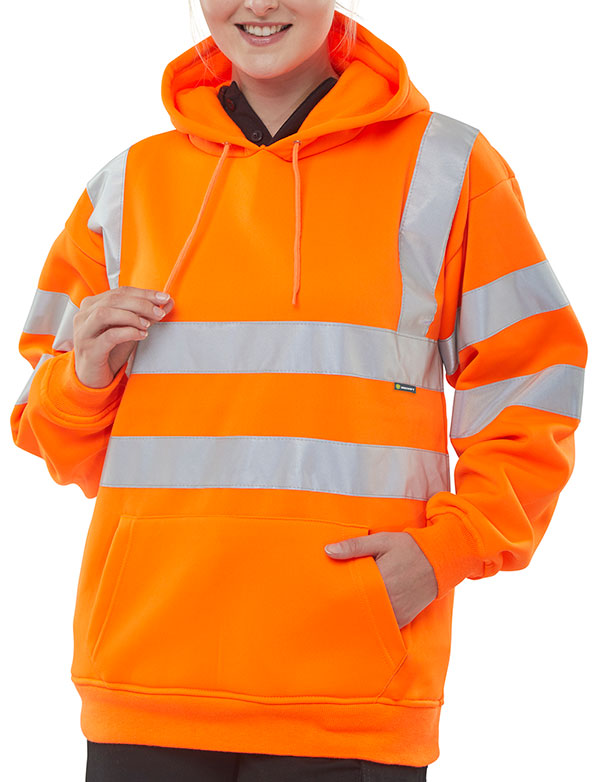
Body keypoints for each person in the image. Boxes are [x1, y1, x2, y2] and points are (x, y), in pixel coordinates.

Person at [10, 1, 588, 780]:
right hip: (146, 679)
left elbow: (534, 382)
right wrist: (83, 377)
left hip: (350, 692)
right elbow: (55, 442)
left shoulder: (447, 170)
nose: (259, 3)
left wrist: (448, 550)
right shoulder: (124, 187)